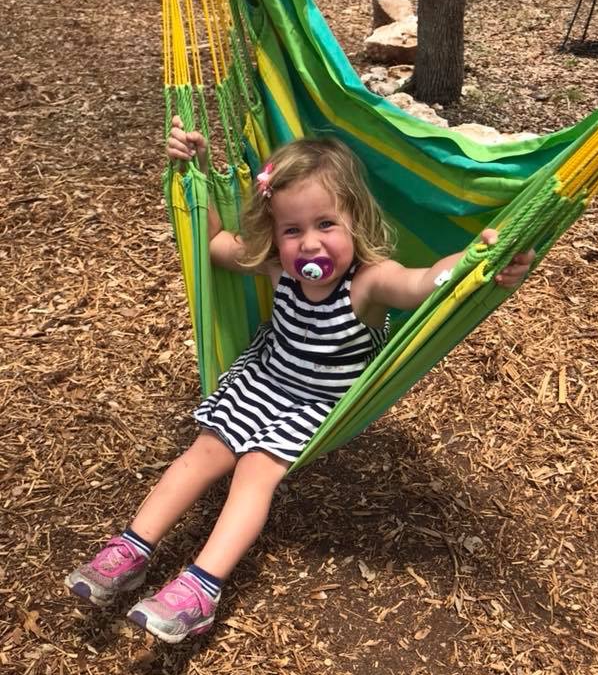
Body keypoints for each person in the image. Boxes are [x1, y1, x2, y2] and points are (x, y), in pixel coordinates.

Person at [65, 118, 534, 644]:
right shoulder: (277, 270)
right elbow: (215, 241)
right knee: (202, 453)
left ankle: (202, 587)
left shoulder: (368, 283)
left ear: (355, 221)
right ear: (277, 235)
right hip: (264, 379)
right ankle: (133, 547)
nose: (310, 244)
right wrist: (195, 172)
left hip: (320, 402)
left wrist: (475, 263)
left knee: (254, 472)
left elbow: (424, 282)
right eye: (293, 230)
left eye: (326, 224)